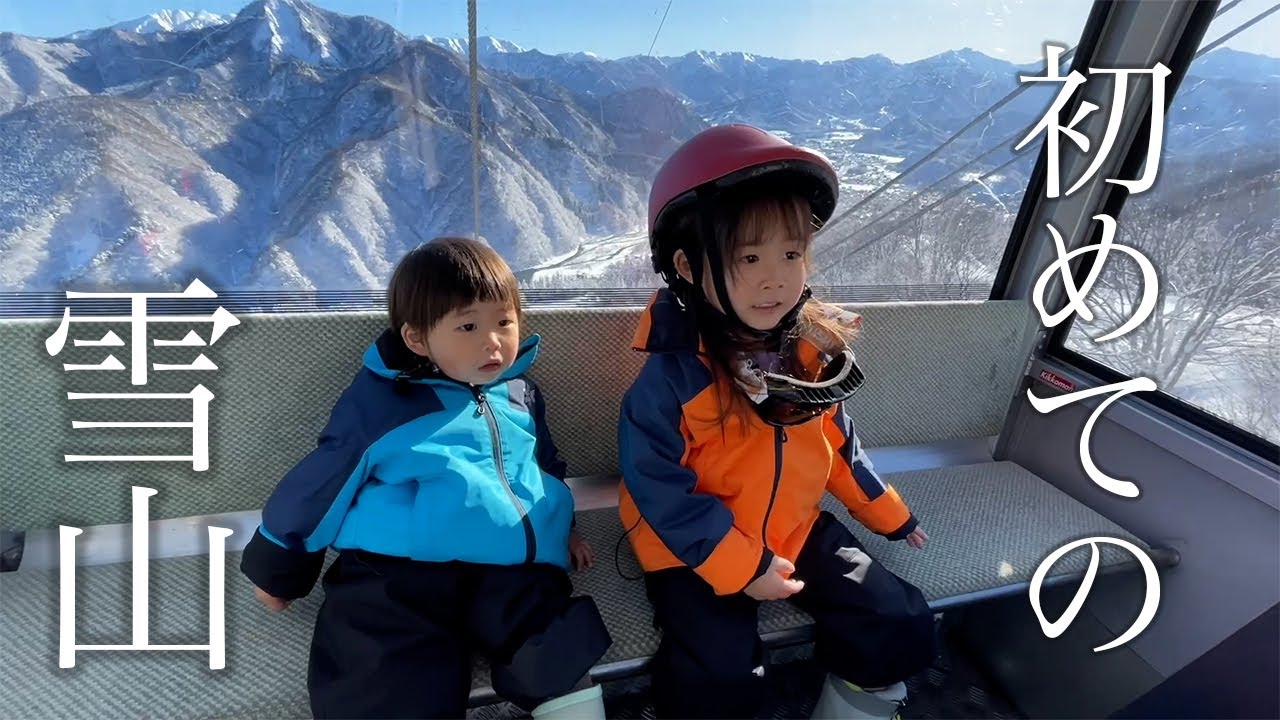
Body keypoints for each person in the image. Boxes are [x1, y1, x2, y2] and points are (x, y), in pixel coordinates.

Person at [617, 125, 937, 720]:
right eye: (749, 258)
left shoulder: (810, 353)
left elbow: (839, 444)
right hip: (694, 545)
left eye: (791, 254)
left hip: (793, 526)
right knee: (722, 674)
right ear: (687, 266)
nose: (776, 278)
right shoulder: (674, 380)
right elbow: (656, 486)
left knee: (898, 620)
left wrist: (887, 514)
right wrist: (743, 567)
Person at [240, 236, 611, 719]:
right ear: (418, 339)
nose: (492, 341)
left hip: (507, 568)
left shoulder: (519, 392)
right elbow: (324, 480)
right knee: (389, 670)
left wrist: (564, 531)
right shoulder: (386, 403)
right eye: (467, 326)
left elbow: (540, 468)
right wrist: (280, 568)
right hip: (401, 570)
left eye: (504, 321)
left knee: (556, 647)